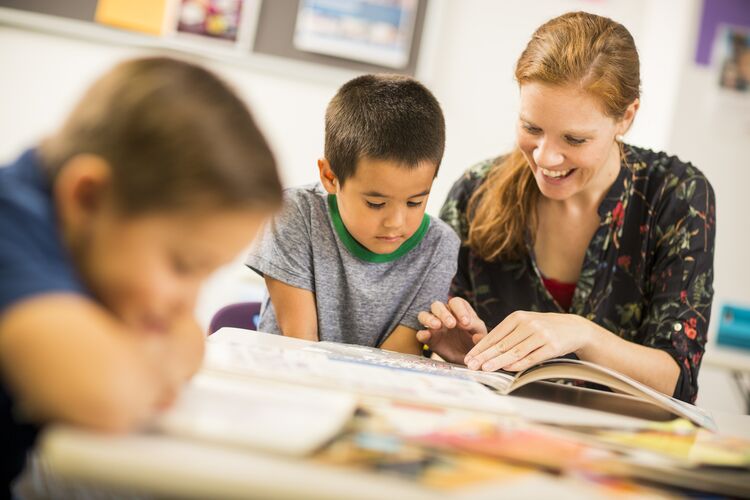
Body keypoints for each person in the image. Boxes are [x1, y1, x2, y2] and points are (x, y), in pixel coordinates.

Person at [0, 56, 282, 494]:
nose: (187, 301)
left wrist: (136, 352)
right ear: (88, 197)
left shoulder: (88, 241)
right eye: (183, 266)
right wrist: (137, 361)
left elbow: (189, 346)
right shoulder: (10, 225)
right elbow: (105, 395)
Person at [418, 11, 715, 403]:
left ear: (626, 117)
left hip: (620, 447)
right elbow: (424, 335)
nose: (546, 157)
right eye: (532, 128)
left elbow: (677, 379)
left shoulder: (676, 196)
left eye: (574, 139)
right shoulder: (476, 192)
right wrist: (454, 350)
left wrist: (582, 333)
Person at [247, 74, 459, 354]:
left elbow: (396, 361)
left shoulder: (440, 246)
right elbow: (300, 345)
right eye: (375, 203)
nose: (396, 223)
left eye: (415, 202)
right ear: (330, 176)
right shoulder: (292, 214)